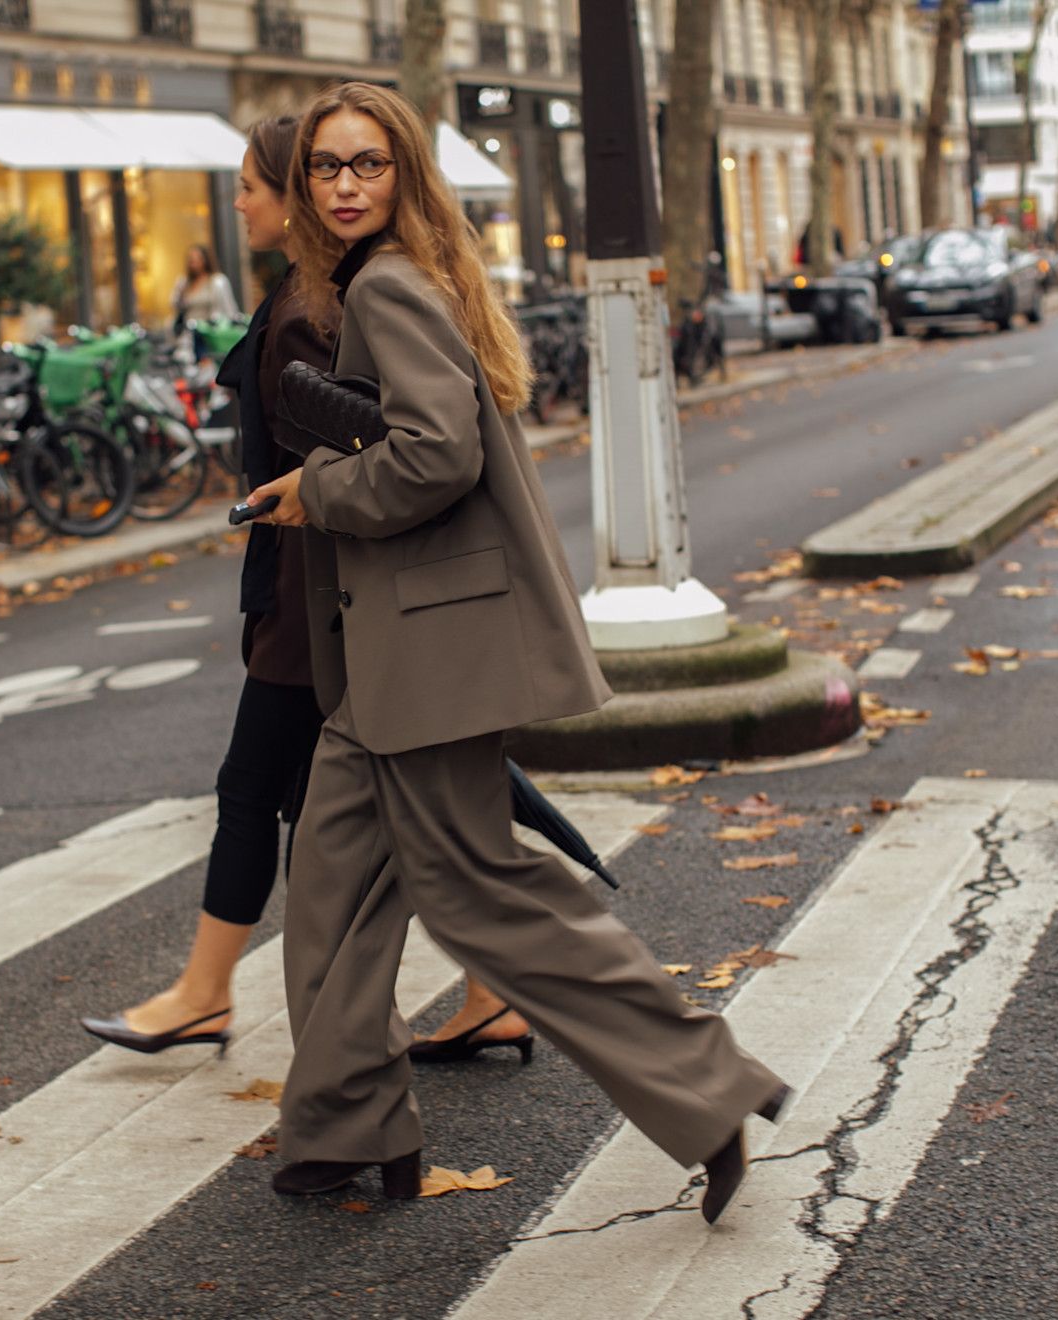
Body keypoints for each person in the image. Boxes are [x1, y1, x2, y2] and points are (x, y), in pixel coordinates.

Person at [244, 82, 788, 1219]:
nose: (345, 186)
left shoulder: (386, 287)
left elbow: (435, 458)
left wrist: (318, 490)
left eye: (368, 165)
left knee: (487, 893)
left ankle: (706, 1086)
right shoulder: (388, 280)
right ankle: (345, 1126)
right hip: (394, 660)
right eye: (327, 169)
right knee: (334, 887)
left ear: (404, 176)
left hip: (431, 654)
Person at [80, 117, 529, 1063]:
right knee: (403, 810)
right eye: (327, 167)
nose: (240, 201)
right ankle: (464, 1004)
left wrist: (315, 494)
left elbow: (414, 450)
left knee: (278, 799)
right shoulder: (318, 292)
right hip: (318, 584)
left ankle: (256, 1014)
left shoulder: (327, 303)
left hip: (317, 592)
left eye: (252, 184)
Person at [170, 244, 240, 335]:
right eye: (190, 260)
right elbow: (175, 305)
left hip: (212, 333)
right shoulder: (184, 283)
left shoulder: (217, 281)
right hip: (190, 334)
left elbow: (230, 309)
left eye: (196, 259)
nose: (193, 263)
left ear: (205, 260)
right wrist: (180, 291)